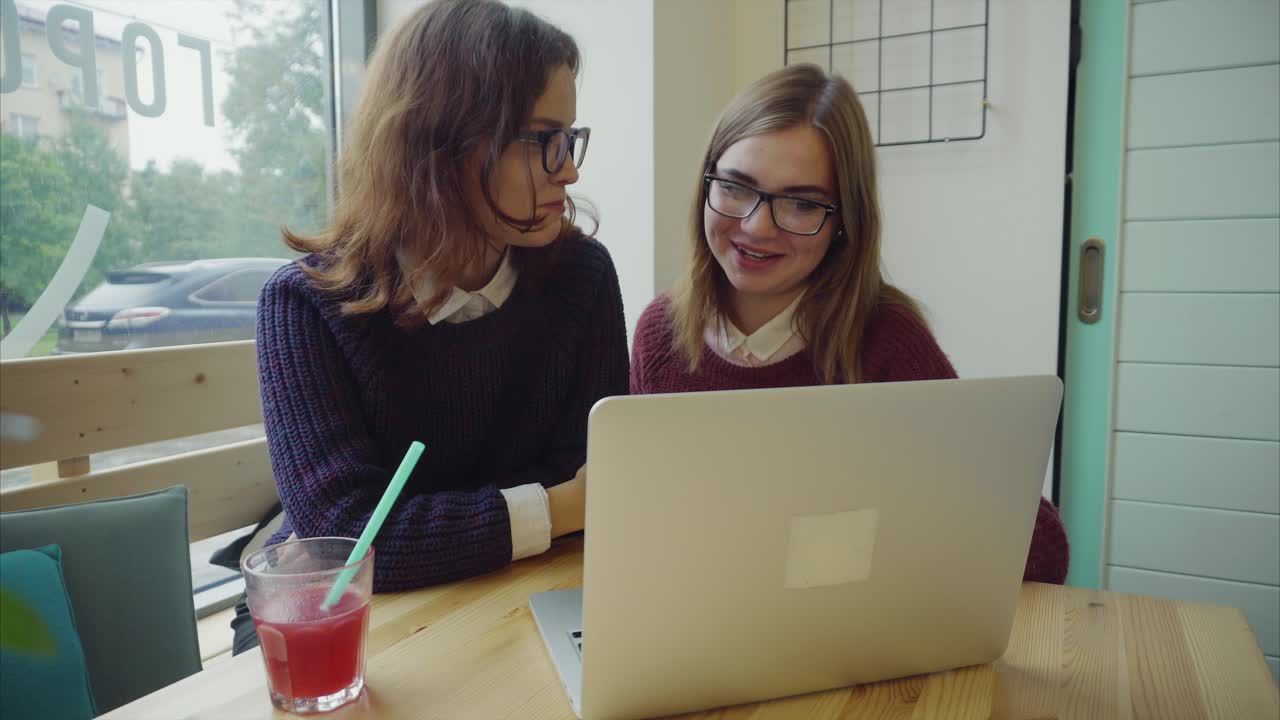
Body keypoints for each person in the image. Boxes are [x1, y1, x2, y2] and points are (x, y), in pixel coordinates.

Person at [230, 0, 629, 654]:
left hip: (519, 585)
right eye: (544, 140)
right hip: (329, 613)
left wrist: (441, 531)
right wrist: (554, 508)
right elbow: (348, 537)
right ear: (441, 143)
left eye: (570, 138)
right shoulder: (306, 305)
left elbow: (586, 470)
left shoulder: (581, 276)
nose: (570, 170)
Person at [630, 64, 1068, 584]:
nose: (756, 225)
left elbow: (1041, 548)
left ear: (844, 222)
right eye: (735, 187)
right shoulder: (660, 334)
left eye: (801, 203)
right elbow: (644, 523)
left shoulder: (887, 341)